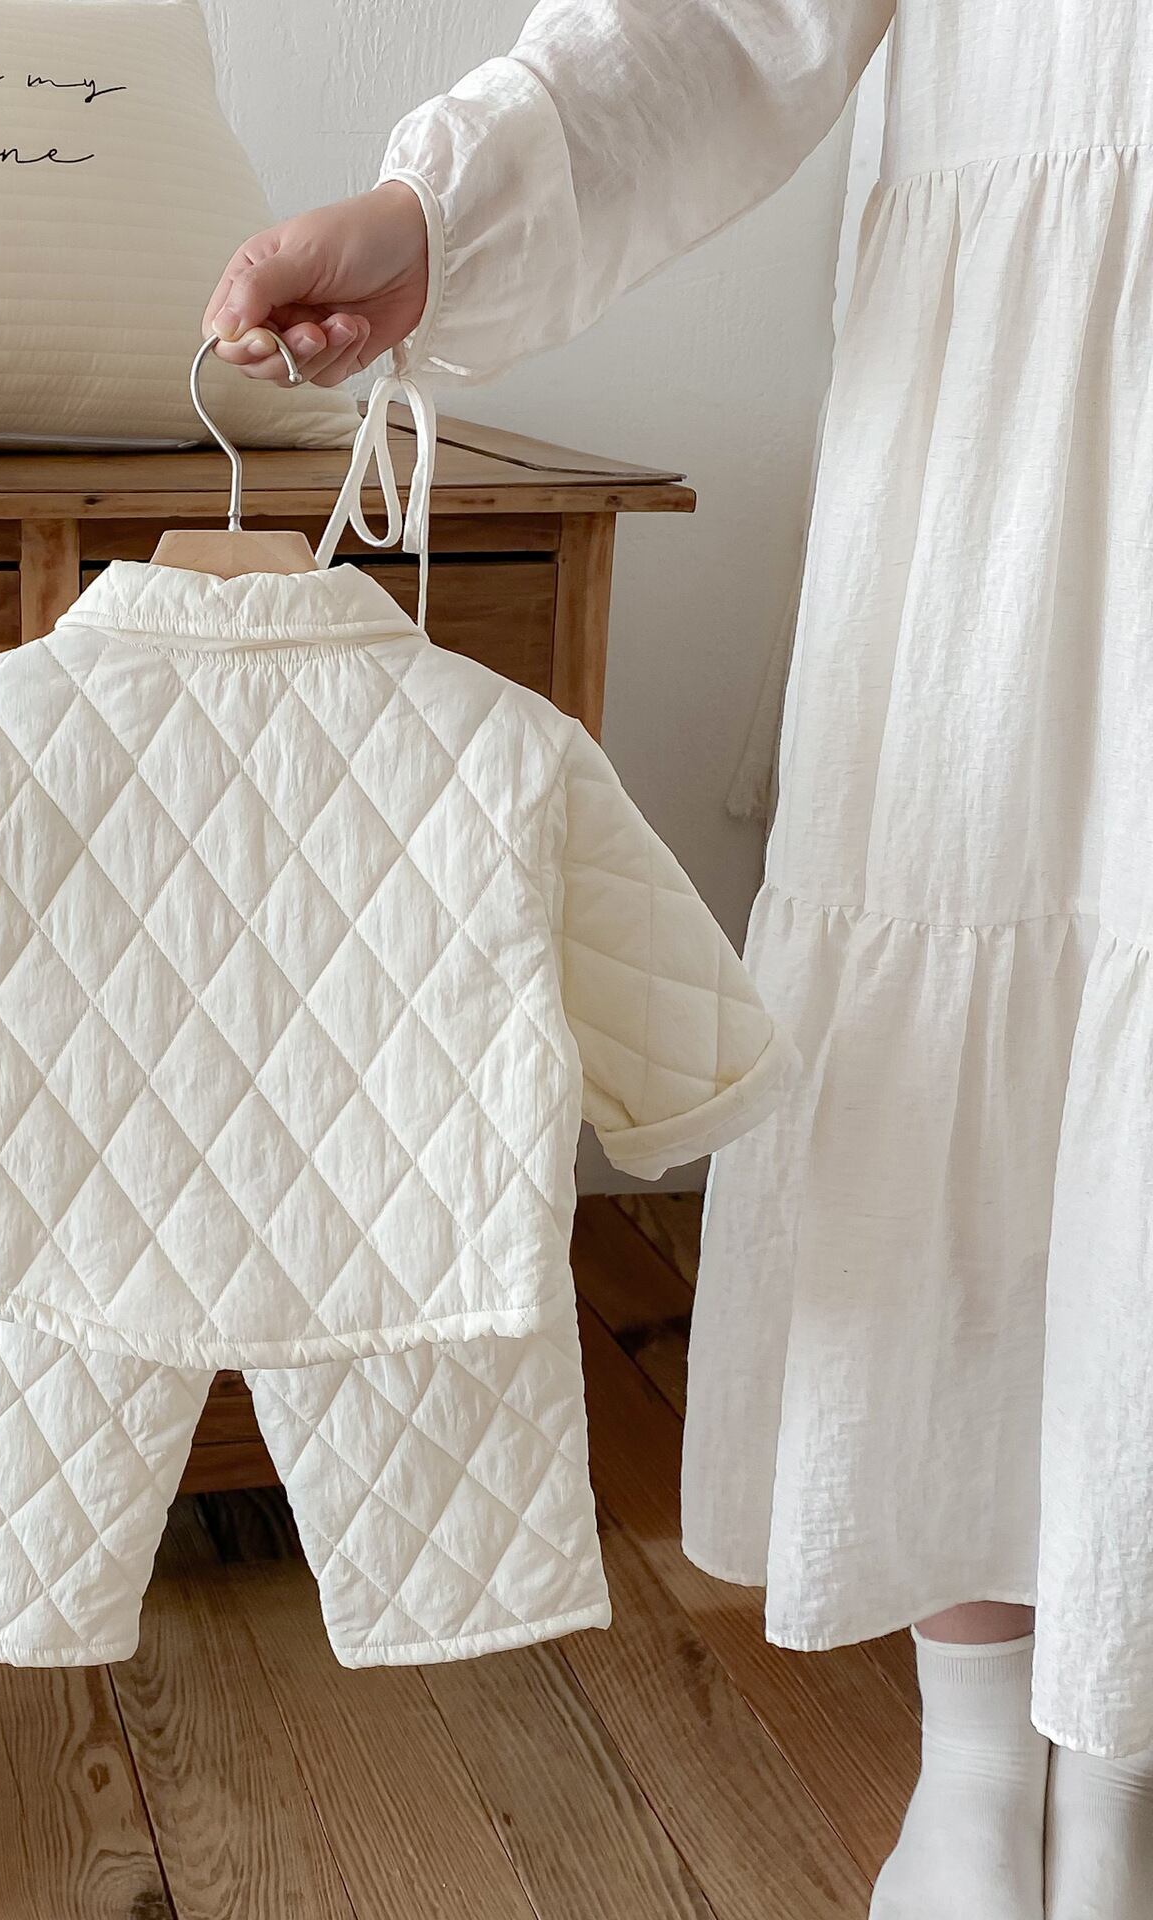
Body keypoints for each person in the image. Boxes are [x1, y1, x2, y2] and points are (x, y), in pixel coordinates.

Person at [203, 4, 1153, 1916]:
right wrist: (439, 209)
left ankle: (1112, 1760)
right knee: (969, 954)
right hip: (1019, 331)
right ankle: (985, 1751)